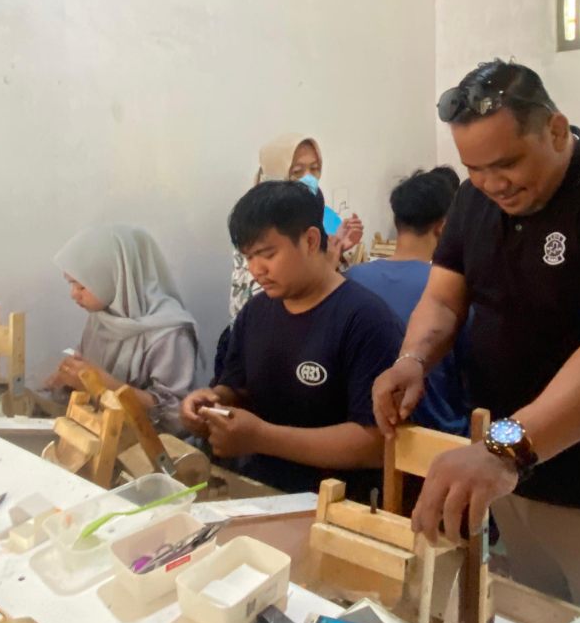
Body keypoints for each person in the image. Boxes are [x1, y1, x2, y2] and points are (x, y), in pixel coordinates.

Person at [372, 60, 580, 623]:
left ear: (555, 129)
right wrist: (412, 360)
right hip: (511, 476)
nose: (493, 183)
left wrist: (504, 450)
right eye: (475, 168)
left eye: (507, 163)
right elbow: (443, 298)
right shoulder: (473, 202)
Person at [182, 181, 402, 498]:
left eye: (267, 254)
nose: (256, 269)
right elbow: (237, 387)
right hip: (257, 491)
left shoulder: (366, 320)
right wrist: (212, 403)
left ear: (311, 240)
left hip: (335, 505)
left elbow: (374, 443)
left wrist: (261, 437)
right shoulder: (255, 313)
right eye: (248, 257)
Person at [215, 135, 364, 382]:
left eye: (315, 169)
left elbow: (325, 282)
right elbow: (286, 291)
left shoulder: (323, 212)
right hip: (270, 341)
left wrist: (341, 250)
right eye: (297, 171)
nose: (309, 177)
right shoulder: (255, 221)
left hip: (313, 340)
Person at [348, 168, 469, 435]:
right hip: (442, 439)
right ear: (444, 228)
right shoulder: (452, 291)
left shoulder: (351, 279)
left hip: (366, 432)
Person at [46, 225, 198, 435]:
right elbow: (84, 374)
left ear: (115, 277)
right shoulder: (100, 318)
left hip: (151, 453)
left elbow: (177, 417)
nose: (74, 294)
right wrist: (65, 380)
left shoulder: (169, 331)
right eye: (71, 284)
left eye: (81, 286)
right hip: (104, 436)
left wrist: (103, 384)